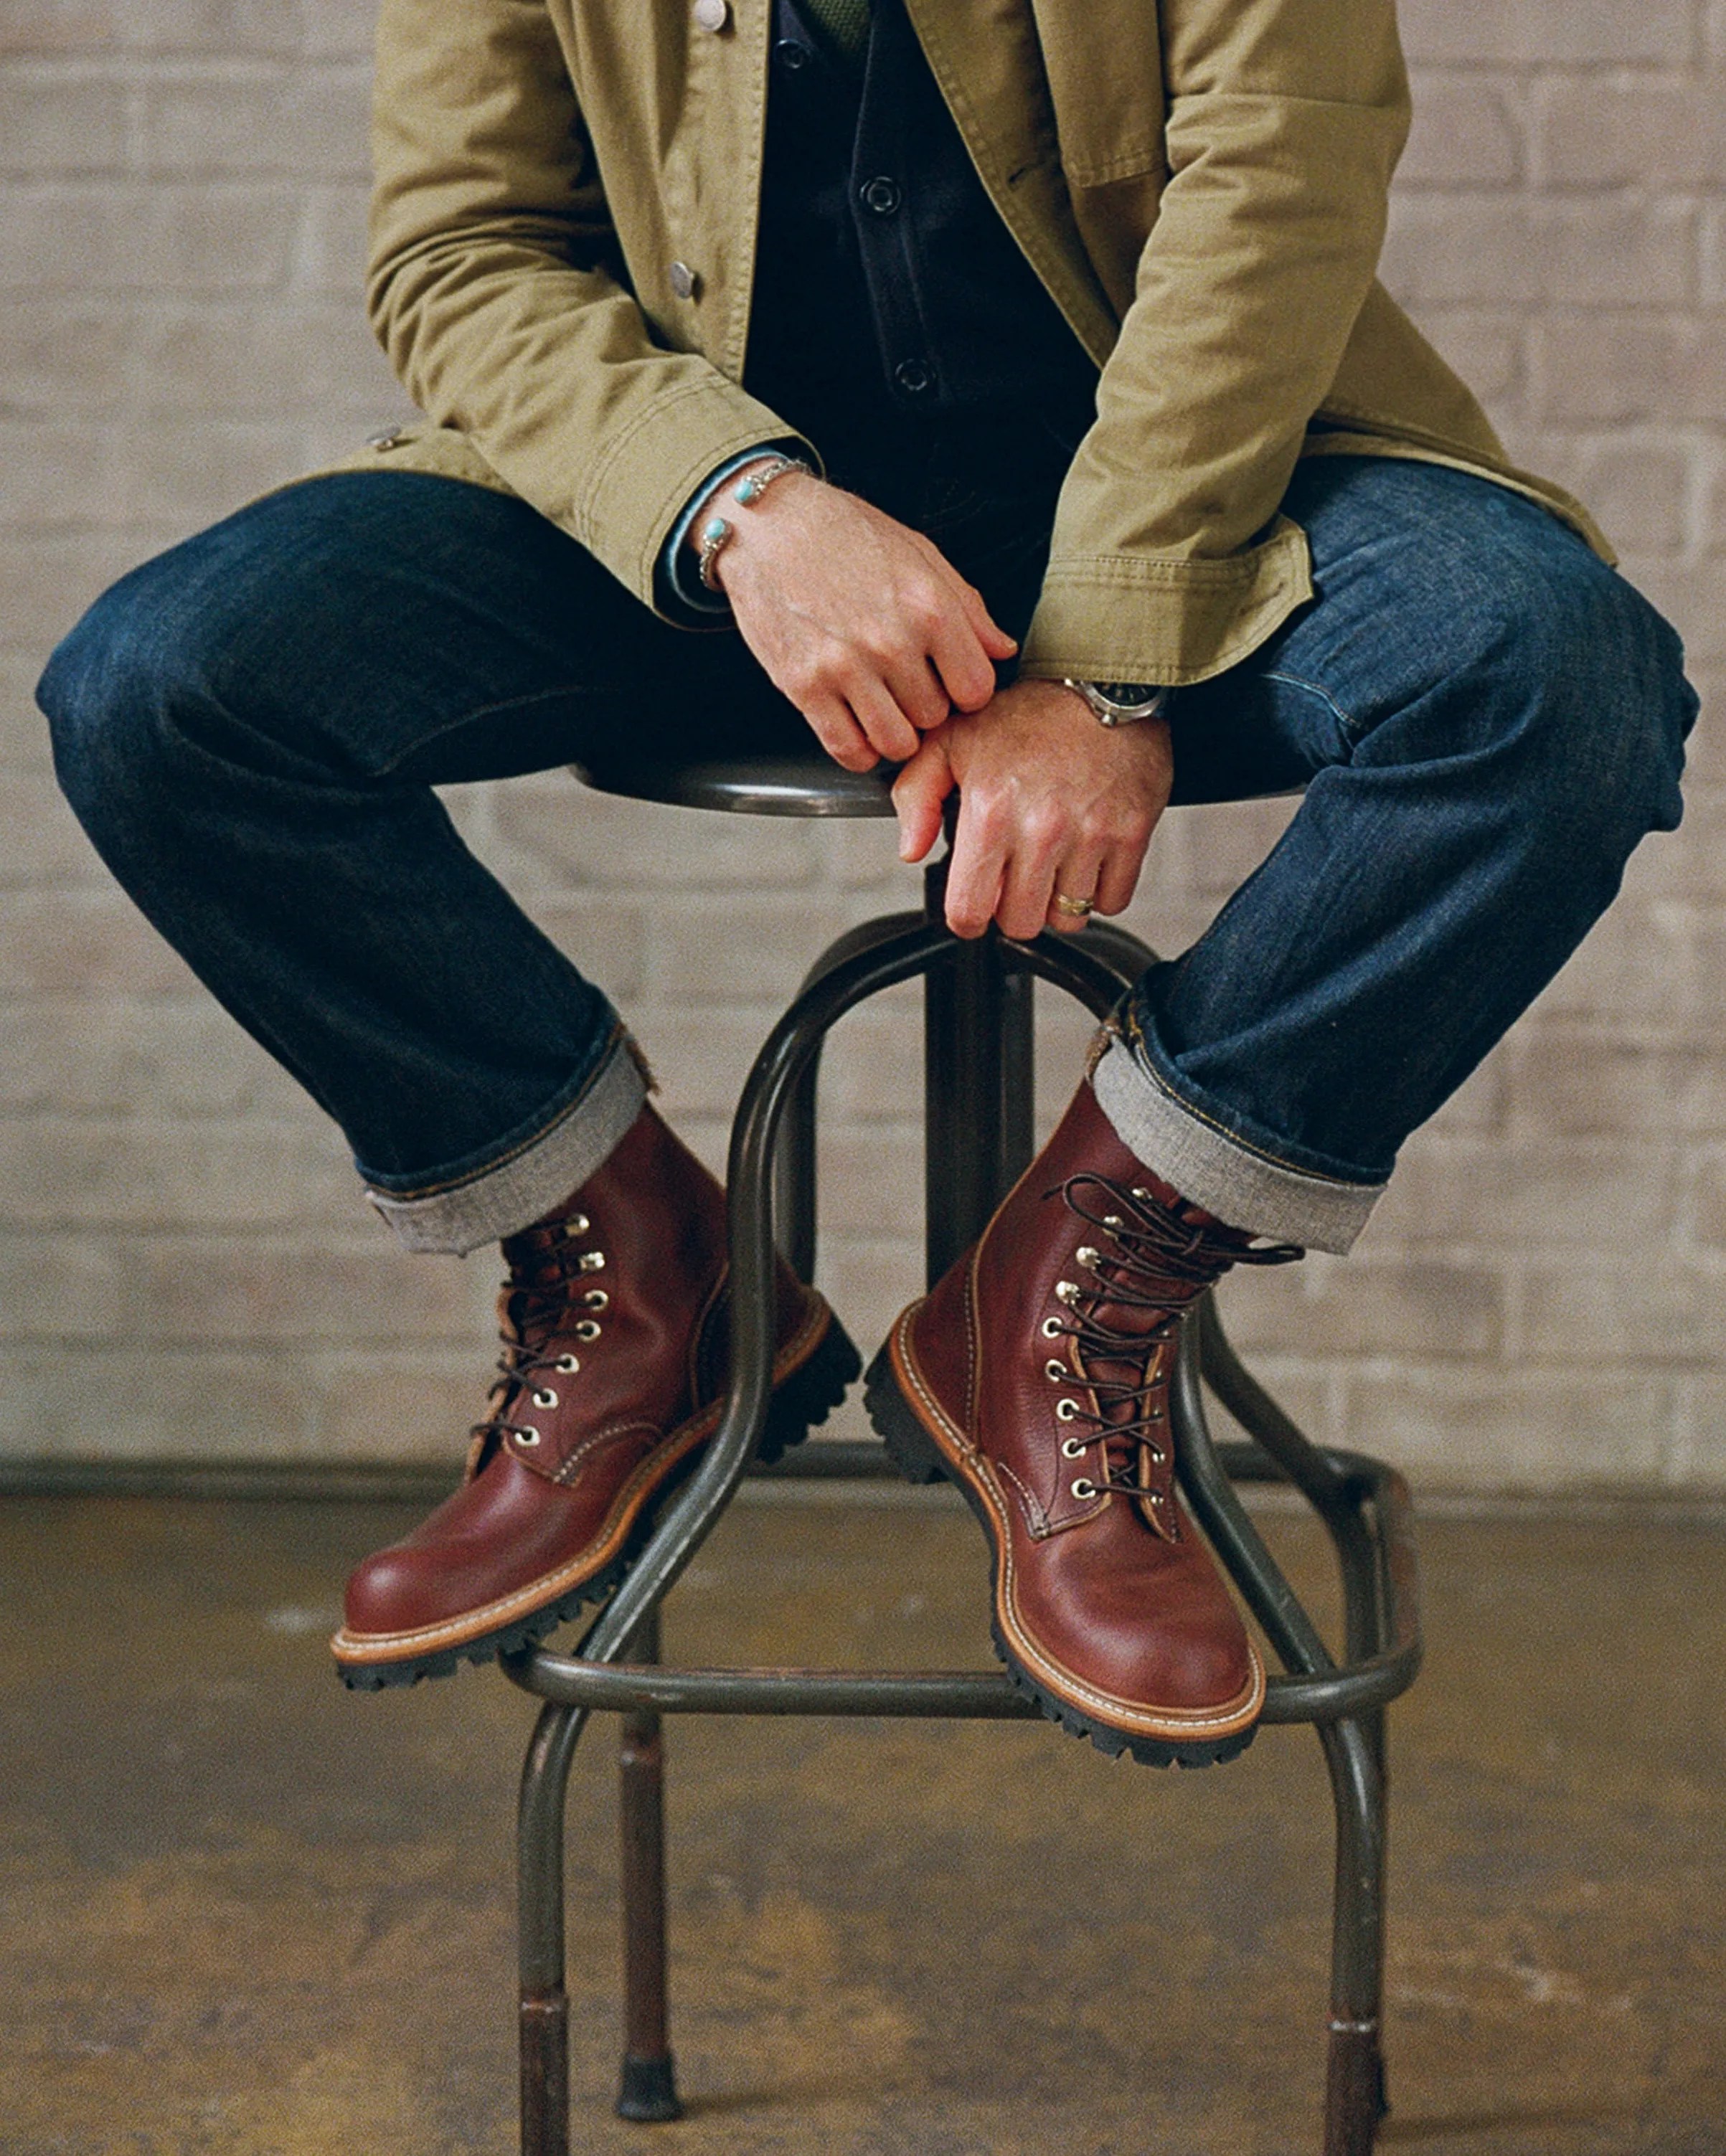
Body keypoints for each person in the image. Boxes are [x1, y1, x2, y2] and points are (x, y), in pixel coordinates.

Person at [37, 0, 1695, 1765]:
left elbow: (1279, 167)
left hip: (1216, 501)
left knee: (1558, 690)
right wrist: (743, 510)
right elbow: (464, 250)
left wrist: (1104, 661)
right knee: (167, 693)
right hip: (712, 545)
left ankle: (1057, 1291)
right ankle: (638, 1264)